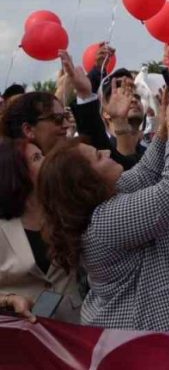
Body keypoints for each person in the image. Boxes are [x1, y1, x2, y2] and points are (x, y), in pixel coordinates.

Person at [36, 92, 169, 331]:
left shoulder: (101, 200)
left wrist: (164, 132)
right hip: (142, 346)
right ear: (86, 182)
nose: (107, 152)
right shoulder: (104, 220)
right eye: (97, 157)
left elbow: (145, 174)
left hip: (150, 339)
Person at [0, 137, 84, 323]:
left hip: (76, 323)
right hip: (24, 329)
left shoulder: (65, 208)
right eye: (37, 158)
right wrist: (8, 300)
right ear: (16, 173)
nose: (47, 160)